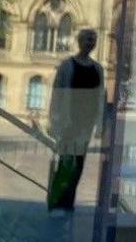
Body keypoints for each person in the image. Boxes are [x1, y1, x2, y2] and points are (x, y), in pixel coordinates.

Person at [44, 27, 103, 212]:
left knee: (78, 166)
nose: (90, 42)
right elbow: (57, 94)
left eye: (93, 39)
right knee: (66, 163)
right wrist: (54, 120)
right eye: (87, 39)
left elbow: (99, 97)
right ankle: (56, 203)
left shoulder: (97, 69)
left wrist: (99, 124)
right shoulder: (66, 66)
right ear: (79, 41)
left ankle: (68, 203)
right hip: (68, 124)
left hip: (85, 126)